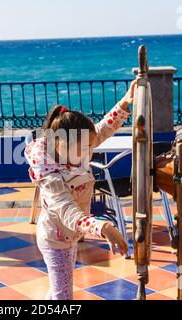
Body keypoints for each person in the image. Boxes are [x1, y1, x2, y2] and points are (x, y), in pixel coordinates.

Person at [24, 81, 137, 300]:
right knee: (63, 295)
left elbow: (102, 130)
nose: (89, 151)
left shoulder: (74, 153)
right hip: (55, 240)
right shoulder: (52, 179)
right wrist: (103, 227)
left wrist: (124, 103)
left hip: (67, 237)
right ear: (60, 144)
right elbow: (69, 213)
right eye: (85, 147)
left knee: (59, 291)